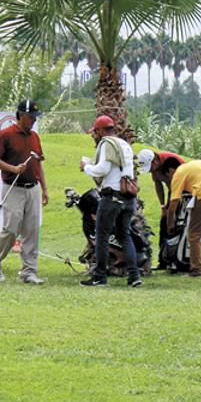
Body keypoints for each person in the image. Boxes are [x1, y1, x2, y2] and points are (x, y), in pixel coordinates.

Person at [0, 99, 48, 284]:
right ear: (22, 116)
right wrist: (13, 169)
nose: (34, 121)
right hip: (13, 188)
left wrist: (44, 188)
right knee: (11, 229)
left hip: (33, 188)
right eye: (31, 117)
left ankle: (29, 272)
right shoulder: (5, 135)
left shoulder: (34, 136)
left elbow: (38, 163)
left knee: (31, 231)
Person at [79, 115, 142, 287]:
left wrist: (86, 167)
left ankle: (100, 277)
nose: (95, 135)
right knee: (124, 234)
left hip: (112, 195)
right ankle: (134, 276)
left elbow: (102, 169)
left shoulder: (107, 143)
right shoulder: (124, 144)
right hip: (129, 197)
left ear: (100, 130)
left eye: (96, 132)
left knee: (102, 235)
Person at [136, 148, 187, 267]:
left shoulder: (171, 161)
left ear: (155, 161)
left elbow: (180, 183)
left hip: (184, 192)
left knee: (176, 223)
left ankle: (176, 258)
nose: (151, 172)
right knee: (164, 223)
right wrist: (163, 206)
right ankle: (163, 259)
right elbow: (158, 184)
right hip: (172, 192)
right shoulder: (155, 168)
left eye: (150, 169)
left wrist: (172, 208)